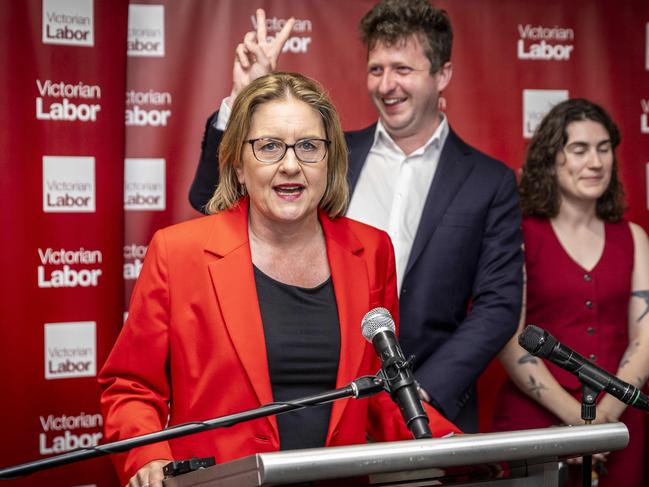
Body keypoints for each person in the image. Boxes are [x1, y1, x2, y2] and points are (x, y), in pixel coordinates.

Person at [99, 72, 459, 487]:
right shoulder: (177, 253)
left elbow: (382, 391)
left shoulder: (371, 251)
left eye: (308, 147)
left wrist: (465, 450)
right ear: (237, 163)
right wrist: (147, 458)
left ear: (330, 160)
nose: (291, 165)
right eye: (269, 147)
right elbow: (130, 387)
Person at [189, 0, 523, 432]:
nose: (387, 85)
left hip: (432, 409)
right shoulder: (323, 153)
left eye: (403, 69)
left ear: (443, 75)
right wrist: (246, 100)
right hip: (326, 408)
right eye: (376, 69)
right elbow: (208, 200)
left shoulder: (487, 180)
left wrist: (417, 393)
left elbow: (498, 305)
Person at [495, 99, 649, 486]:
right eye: (579, 149)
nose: (596, 162)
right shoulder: (519, 236)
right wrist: (579, 421)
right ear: (551, 158)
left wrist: (604, 417)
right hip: (536, 422)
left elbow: (646, 338)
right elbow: (510, 338)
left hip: (620, 427)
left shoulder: (634, 237)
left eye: (603, 149)